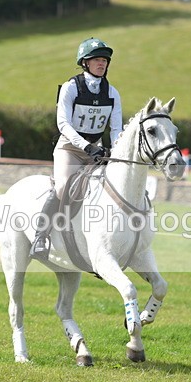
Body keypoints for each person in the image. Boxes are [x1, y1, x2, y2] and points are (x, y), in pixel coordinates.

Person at [30, 37, 124, 261]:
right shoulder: (72, 87)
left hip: (97, 150)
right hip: (70, 148)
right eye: (97, 60)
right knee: (63, 187)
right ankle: (40, 237)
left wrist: (115, 152)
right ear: (85, 63)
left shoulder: (112, 93)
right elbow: (63, 124)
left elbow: (116, 127)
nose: (102, 64)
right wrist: (86, 146)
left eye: (105, 60)